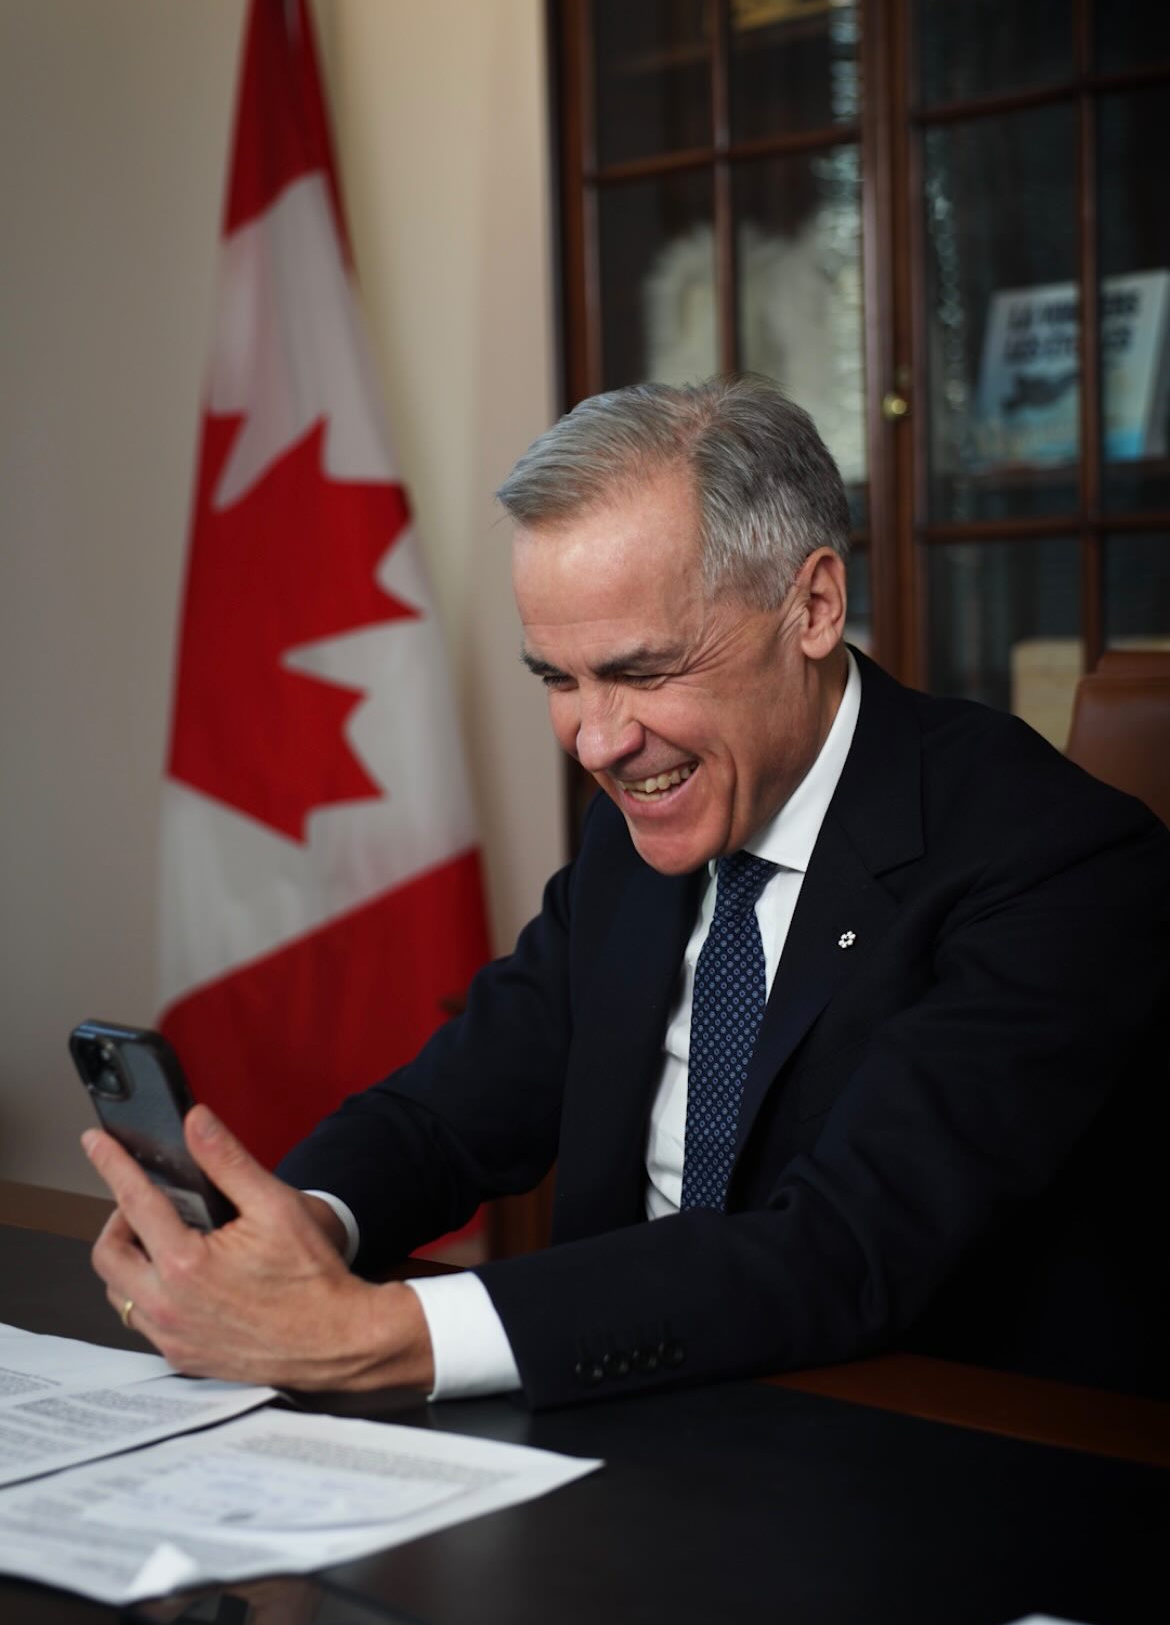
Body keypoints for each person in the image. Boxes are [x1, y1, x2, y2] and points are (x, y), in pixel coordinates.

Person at [84, 376, 1170, 1405]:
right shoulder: (639, 831)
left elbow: (844, 1247)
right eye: (559, 679)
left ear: (815, 607)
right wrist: (300, 1231)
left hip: (914, 1460)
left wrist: (384, 1336)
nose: (598, 742)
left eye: (643, 672)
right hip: (619, 1428)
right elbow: (445, 1113)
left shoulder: (1058, 859)